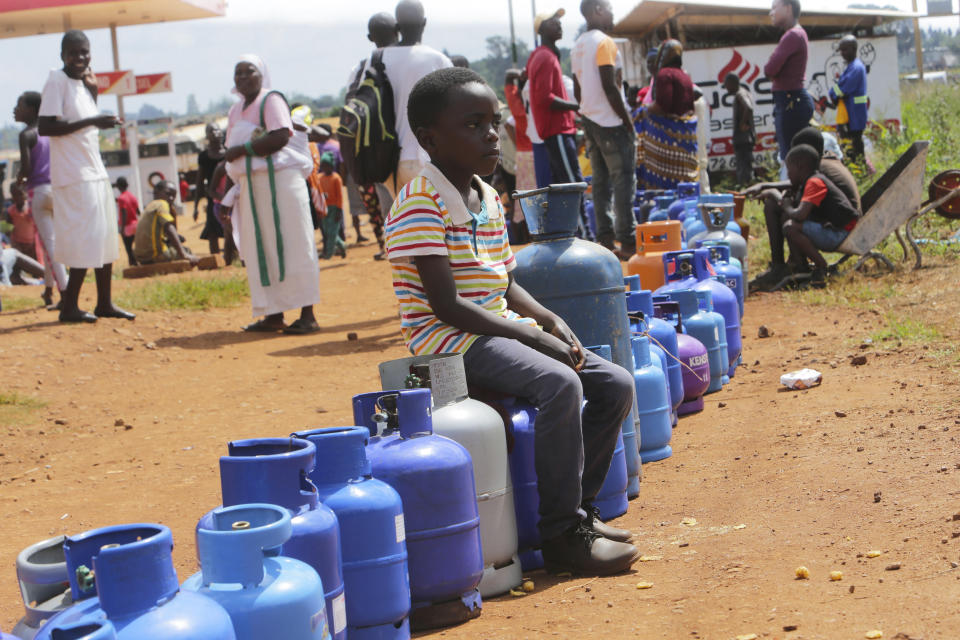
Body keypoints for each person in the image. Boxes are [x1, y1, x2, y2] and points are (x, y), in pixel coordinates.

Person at [384, 67, 640, 576]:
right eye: (473, 124)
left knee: (615, 384)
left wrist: (546, 317)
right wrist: (527, 333)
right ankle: (562, 536)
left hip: (495, 328)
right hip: (449, 343)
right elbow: (446, 305)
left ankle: (580, 510)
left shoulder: (489, 197)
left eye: (494, 122)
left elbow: (503, 281)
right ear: (431, 139)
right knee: (559, 383)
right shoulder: (418, 203)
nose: (491, 135)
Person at [220, 54, 321, 335]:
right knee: (259, 247)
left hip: (282, 185)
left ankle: (308, 315)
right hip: (253, 188)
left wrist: (242, 150)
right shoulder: (235, 109)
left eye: (248, 71)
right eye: (237, 73)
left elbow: (279, 137)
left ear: (261, 74)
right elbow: (228, 152)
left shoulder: (271, 100)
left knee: (294, 244)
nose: (241, 77)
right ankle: (273, 315)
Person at [38, 29, 133, 323]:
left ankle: (105, 302)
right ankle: (70, 307)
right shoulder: (57, 80)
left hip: (94, 170)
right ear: (62, 55)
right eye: (73, 52)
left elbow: (80, 125)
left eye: (85, 52)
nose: (79, 58)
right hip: (74, 174)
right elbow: (46, 127)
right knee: (84, 238)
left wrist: (94, 95)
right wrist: (94, 119)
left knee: (105, 236)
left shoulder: (83, 84)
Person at [747, 126, 861, 291]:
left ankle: (795, 267)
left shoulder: (820, 171)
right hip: (835, 220)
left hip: (838, 226)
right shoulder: (822, 164)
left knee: (784, 214)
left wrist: (773, 192)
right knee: (782, 207)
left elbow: (800, 209)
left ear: (803, 160)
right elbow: (798, 188)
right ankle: (791, 265)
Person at [572, 0, 637, 257]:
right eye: (609, 8)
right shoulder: (604, 42)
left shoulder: (577, 45)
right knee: (623, 180)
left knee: (600, 182)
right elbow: (610, 85)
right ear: (598, 10)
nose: (612, 13)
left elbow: (578, 89)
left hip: (590, 120)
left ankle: (607, 240)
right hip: (611, 122)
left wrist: (587, 111)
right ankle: (628, 241)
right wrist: (627, 121)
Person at [527, 8, 595, 242]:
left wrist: (573, 116)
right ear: (542, 29)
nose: (559, 25)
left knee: (567, 186)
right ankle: (586, 239)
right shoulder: (545, 56)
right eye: (553, 22)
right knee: (573, 186)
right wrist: (577, 107)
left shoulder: (545, 55)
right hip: (556, 132)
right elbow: (546, 99)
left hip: (558, 130)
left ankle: (573, 237)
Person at [378, 0, 452, 198]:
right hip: (426, 157)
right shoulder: (438, 60)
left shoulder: (377, 59)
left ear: (396, 26)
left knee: (404, 225)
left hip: (387, 162)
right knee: (435, 224)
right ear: (424, 23)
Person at [14, 89, 66, 308]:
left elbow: (26, 168)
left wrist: (19, 182)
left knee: (49, 245)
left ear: (32, 110)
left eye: (20, 105)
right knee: (51, 243)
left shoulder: (26, 134)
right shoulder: (50, 132)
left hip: (39, 193)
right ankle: (48, 290)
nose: (15, 109)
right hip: (59, 190)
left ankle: (67, 294)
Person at [637, 40, 699, 191]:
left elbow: (662, 106)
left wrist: (645, 110)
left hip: (668, 137)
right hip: (686, 135)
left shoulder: (664, 74)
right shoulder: (684, 76)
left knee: (638, 118)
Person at [764, 0, 814, 177]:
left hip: (790, 102)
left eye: (774, 8)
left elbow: (769, 69)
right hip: (791, 101)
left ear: (787, 8)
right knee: (791, 158)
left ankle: (793, 200)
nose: (771, 13)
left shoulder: (792, 35)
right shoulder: (795, 35)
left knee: (791, 160)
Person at [133, 181, 197, 266]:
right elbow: (169, 227)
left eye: (173, 196)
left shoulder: (149, 207)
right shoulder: (161, 204)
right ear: (156, 192)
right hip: (155, 254)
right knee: (187, 250)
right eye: (168, 194)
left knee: (175, 244)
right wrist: (183, 254)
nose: (171, 198)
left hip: (141, 256)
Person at [828, 35, 869, 165]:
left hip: (854, 114)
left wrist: (833, 94)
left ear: (853, 49)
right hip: (851, 113)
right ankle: (856, 169)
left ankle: (860, 170)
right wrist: (834, 93)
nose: (842, 53)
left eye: (845, 49)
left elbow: (842, 89)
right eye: (841, 50)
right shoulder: (852, 66)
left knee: (854, 144)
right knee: (849, 144)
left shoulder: (856, 68)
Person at [195, 122, 229, 255]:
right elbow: (199, 182)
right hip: (213, 197)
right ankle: (215, 259)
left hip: (229, 195)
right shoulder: (204, 156)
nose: (216, 133)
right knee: (212, 230)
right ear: (207, 136)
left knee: (230, 227)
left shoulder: (229, 152)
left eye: (218, 130)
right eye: (212, 131)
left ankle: (231, 255)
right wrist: (196, 206)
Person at [724, 73, 756, 187]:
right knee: (746, 167)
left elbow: (748, 108)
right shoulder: (744, 92)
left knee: (743, 169)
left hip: (743, 139)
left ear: (732, 83)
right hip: (746, 138)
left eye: (727, 84)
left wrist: (743, 123)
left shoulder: (740, 94)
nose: (726, 88)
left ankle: (745, 191)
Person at [317, 152, 348, 260]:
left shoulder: (336, 178)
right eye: (323, 166)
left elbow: (340, 196)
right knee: (328, 231)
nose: (325, 168)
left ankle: (328, 254)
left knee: (332, 232)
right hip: (324, 208)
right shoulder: (319, 178)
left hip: (334, 208)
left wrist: (339, 211)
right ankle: (342, 245)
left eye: (327, 165)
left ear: (332, 165)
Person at [114, 176, 140, 266]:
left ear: (118, 186)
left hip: (127, 226)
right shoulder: (132, 197)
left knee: (128, 248)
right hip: (135, 224)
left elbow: (124, 212)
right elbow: (138, 211)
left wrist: (122, 228)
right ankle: (138, 261)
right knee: (137, 245)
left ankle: (133, 263)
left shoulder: (121, 198)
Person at [6, 184, 36, 259]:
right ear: (12, 196)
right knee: (19, 263)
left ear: (25, 193)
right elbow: (9, 228)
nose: (18, 197)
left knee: (31, 264)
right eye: (15, 195)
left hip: (31, 244)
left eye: (20, 194)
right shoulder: (11, 210)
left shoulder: (31, 209)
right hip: (17, 243)